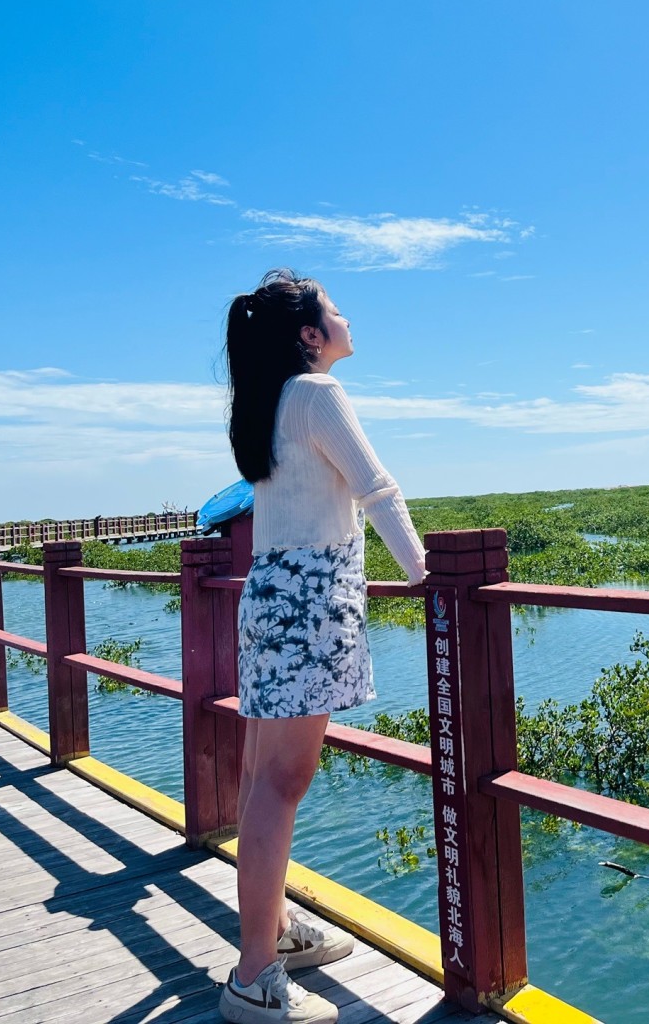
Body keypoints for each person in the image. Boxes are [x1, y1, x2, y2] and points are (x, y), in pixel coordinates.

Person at [219, 268, 427, 1024]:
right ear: (311, 335)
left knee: (258, 776)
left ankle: (271, 934)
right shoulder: (317, 395)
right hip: (311, 605)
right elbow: (377, 489)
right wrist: (426, 574)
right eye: (335, 312)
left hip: (269, 598)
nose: (346, 319)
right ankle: (253, 976)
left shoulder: (272, 403)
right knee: (282, 782)